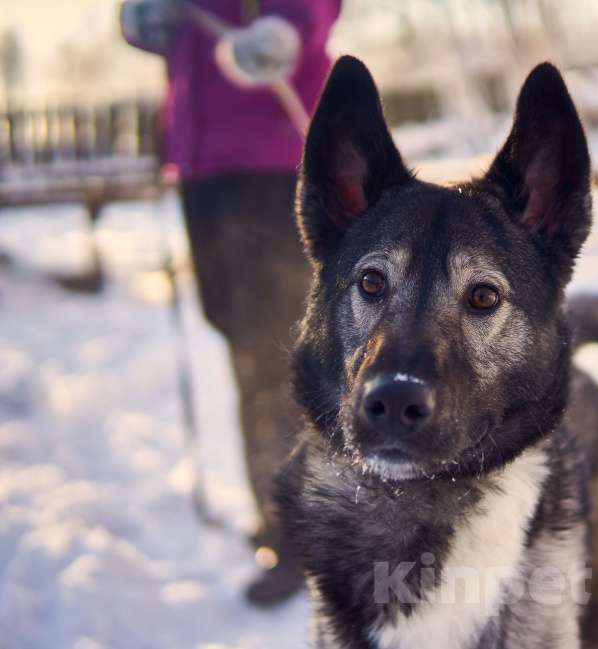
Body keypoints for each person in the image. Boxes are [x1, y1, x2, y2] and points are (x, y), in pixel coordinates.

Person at [121, 0, 342, 606]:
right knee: (239, 337)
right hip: (200, 160)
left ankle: (304, 529)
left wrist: (289, 29)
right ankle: (282, 511)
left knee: (278, 348)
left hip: (271, 156)